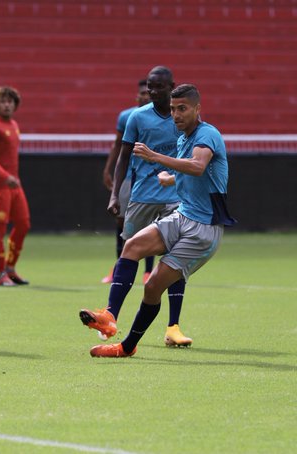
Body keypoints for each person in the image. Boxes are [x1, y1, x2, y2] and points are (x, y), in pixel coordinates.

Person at [87, 84, 235, 357]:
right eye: (173, 109)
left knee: (153, 285)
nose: (176, 115)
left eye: (183, 109)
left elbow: (198, 165)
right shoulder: (182, 139)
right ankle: (109, 315)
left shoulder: (207, 134)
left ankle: (126, 346)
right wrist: (171, 178)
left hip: (202, 231)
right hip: (183, 215)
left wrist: (155, 157)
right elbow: (190, 172)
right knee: (131, 246)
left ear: (197, 109)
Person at [80, 66, 193, 347]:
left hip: (174, 199)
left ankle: (173, 327)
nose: (153, 92)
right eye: (150, 88)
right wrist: (115, 194)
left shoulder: (184, 120)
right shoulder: (136, 118)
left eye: (159, 87)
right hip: (141, 198)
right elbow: (123, 156)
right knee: (128, 254)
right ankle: (110, 317)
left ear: (172, 86)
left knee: (175, 259)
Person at [101, 79, 154, 285]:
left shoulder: (163, 117)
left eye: (148, 93)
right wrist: (108, 169)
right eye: (142, 93)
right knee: (122, 222)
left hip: (149, 178)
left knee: (150, 224)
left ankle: (148, 272)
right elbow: (118, 146)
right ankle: (117, 268)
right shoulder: (127, 116)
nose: (145, 96)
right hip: (128, 177)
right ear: (137, 96)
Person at [0, 86, 31, 287]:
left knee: (24, 224)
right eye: (3, 101)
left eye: (10, 101)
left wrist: (12, 178)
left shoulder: (13, 124)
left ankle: (10, 268)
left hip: (14, 185)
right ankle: (1, 272)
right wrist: (4, 176)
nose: (7, 104)